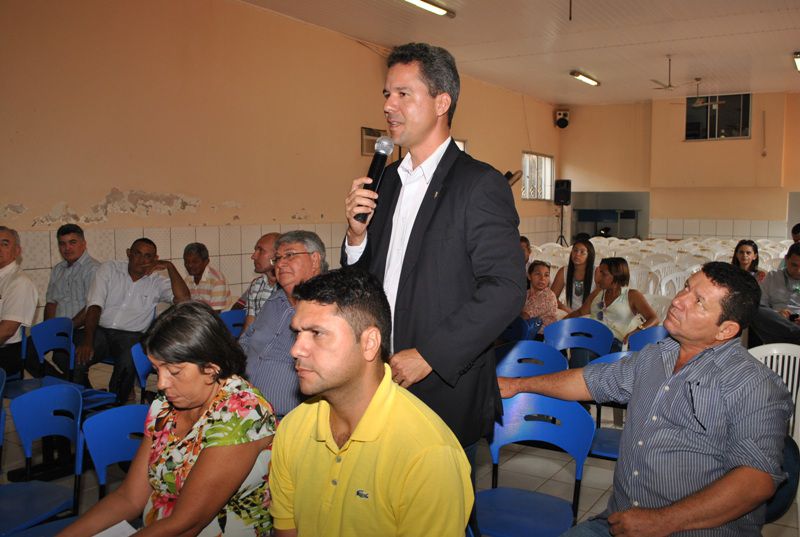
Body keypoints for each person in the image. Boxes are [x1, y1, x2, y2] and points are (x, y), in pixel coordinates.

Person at [499, 262, 793, 536]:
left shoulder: (754, 384)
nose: (679, 300)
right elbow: (588, 381)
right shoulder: (655, 356)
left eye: (698, 301)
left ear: (726, 330)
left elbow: (756, 480)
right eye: (687, 287)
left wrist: (660, 521)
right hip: (620, 522)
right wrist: (518, 384)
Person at [342, 42, 526, 459]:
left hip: (441, 386)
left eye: (403, 94)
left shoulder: (478, 184)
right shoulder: (384, 183)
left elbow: (506, 288)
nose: (389, 105)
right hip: (376, 380)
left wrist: (430, 355)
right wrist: (355, 238)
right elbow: (363, 283)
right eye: (386, 94)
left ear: (442, 101)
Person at [269, 269, 473, 537]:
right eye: (297, 333)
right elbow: (286, 529)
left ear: (369, 343)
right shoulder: (293, 428)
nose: (296, 349)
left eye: (316, 333)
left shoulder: (428, 454)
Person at [60, 301, 277, 536]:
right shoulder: (167, 404)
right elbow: (130, 498)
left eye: (173, 371)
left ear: (211, 369)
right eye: (156, 369)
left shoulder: (243, 413)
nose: (161, 383)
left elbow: (186, 524)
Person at [76, 238, 190, 402]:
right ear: (129, 253)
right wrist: (87, 340)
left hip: (131, 336)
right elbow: (94, 304)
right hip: (100, 330)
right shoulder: (109, 269)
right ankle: (82, 400)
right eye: (137, 254)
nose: (142, 260)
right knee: (76, 355)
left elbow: (184, 299)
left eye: (148, 256)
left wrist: (170, 266)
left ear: (155, 259)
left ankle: (116, 404)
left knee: (129, 359)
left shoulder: (157, 282)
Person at [239, 231, 326, 416]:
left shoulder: (327, 307)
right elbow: (246, 341)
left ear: (315, 260)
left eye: (290, 255)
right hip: (245, 407)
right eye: (277, 258)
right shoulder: (273, 300)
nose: (280, 264)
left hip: (290, 420)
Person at [566, 257, 658, 364]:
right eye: (599, 272)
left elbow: (654, 318)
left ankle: (579, 377)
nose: (598, 277)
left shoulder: (632, 295)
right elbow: (580, 312)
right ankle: (581, 376)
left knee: (582, 348)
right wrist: (560, 322)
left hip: (617, 344)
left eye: (603, 274)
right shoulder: (598, 293)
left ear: (616, 276)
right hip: (595, 339)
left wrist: (638, 330)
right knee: (579, 339)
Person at [0, 226, 38, 377]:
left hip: (6, 353)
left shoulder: (20, 282)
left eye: (5, 243)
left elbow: (7, 330)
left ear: (17, 251)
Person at [750, 242, 800, 344]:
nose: (798, 271)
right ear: (786, 259)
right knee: (754, 309)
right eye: (794, 265)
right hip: (776, 323)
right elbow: (761, 305)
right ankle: (796, 335)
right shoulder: (772, 277)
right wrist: (777, 314)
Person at [241, 232, 280, 332]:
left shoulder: (289, 287)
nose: (253, 256)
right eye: (255, 250)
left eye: (261, 250)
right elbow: (249, 326)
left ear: (278, 255)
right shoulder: (256, 285)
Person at [182, 242, 230, 311]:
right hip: (199, 317)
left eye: (195, 262)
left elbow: (216, 314)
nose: (190, 265)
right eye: (186, 261)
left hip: (219, 319)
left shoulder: (217, 280)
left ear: (206, 262)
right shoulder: (188, 279)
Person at [551, 238, 595, 313]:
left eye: (582, 252)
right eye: (575, 250)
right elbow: (551, 297)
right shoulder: (564, 271)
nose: (577, 254)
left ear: (589, 255)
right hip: (569, 313)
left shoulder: (596, 273)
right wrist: (564, 308)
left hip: (590, 315)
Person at [521, 260, 558, 334]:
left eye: (546, 275)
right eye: (538, 274)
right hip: (525, 333)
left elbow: (524, 316)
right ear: (529, 276)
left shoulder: (547, 296)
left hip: (542, 338)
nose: (542, 278)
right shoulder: (526, 294)